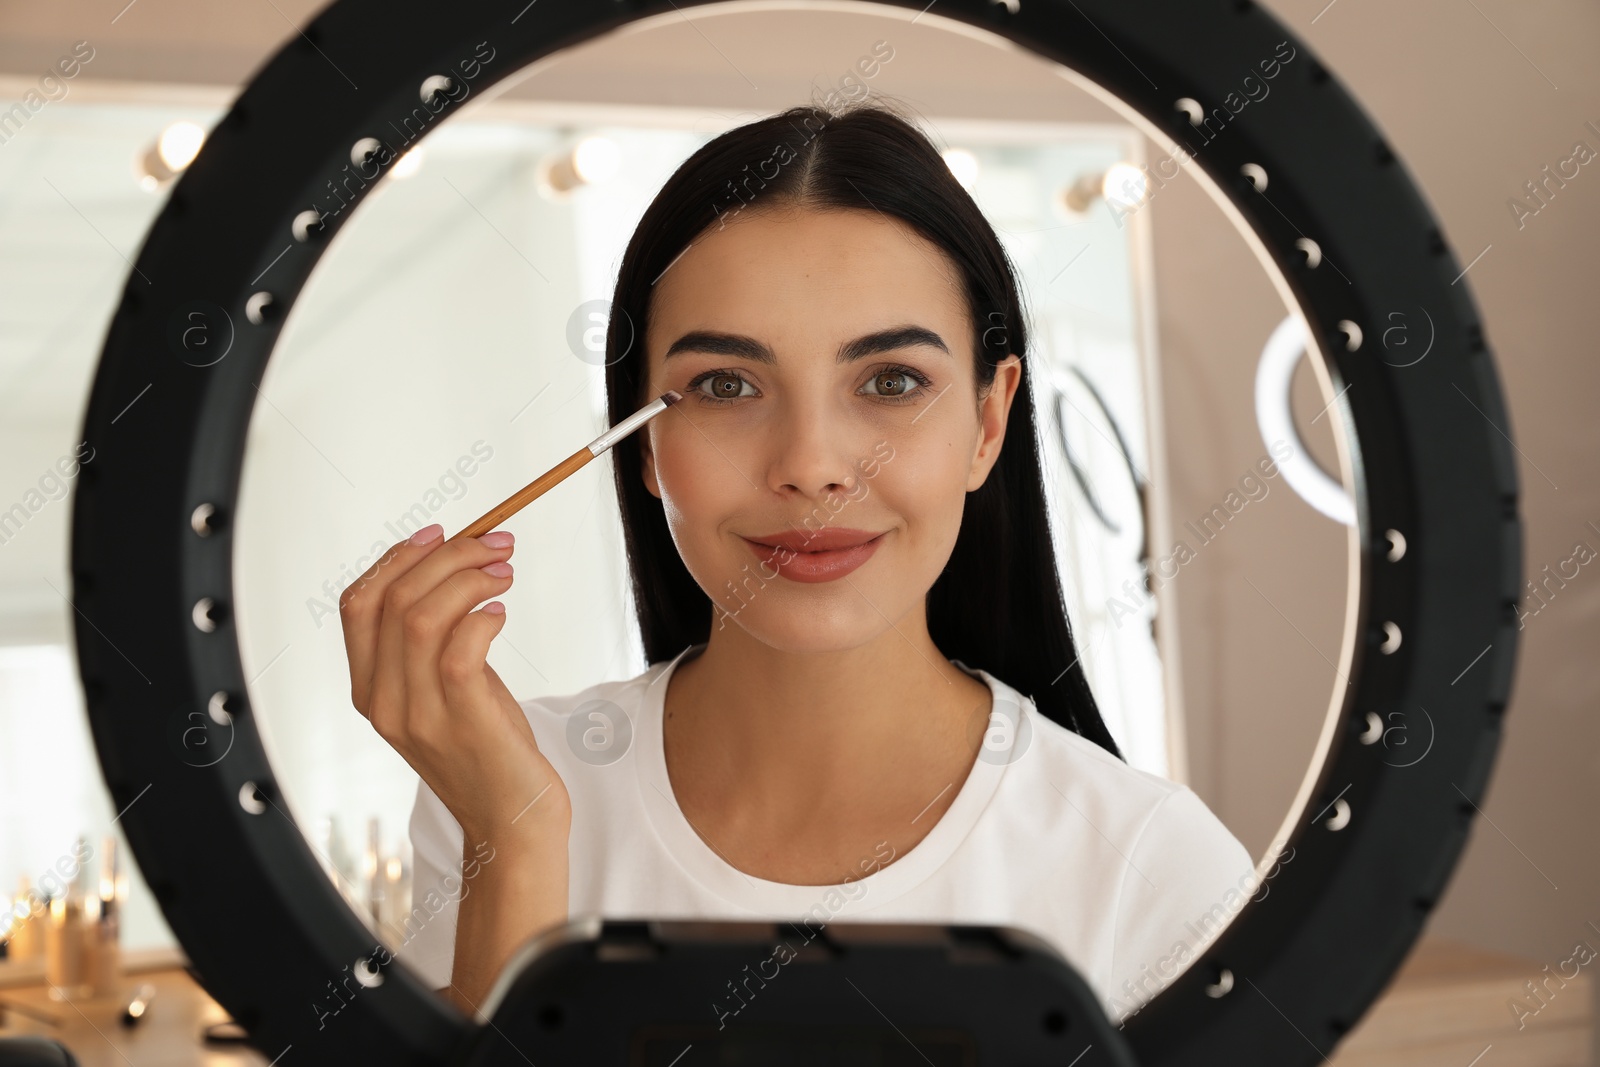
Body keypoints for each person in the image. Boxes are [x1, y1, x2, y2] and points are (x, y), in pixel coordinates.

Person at [339, 95, 1253, 1027]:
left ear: (988, 421)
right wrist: (517, 838)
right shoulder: (498, 787)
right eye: (725, 385)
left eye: (891, 381)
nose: (810, 465)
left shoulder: (1156, 868)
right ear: (643, 444)